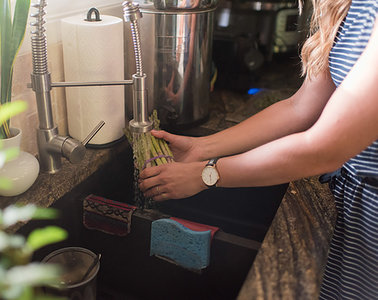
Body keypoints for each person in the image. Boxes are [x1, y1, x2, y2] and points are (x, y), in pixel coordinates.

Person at [139, 0, 378, 298]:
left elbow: (321, 148)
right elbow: (300, 107)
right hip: (352, 204)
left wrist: (205, 175)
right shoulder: (349, 6)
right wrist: (201, 148)